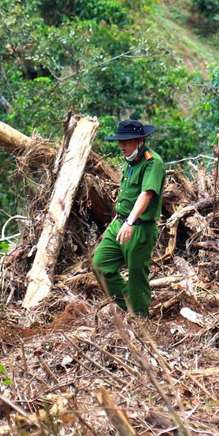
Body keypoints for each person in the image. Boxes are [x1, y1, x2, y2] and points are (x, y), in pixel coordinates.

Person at [92, 118, 166, 315]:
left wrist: (131, 222)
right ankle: (130, 305)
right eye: (120, 141)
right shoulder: (130, 161)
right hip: (120, 223)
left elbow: (146, 193)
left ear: (140, 140)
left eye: (127, 140)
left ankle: (142, 320)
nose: (121, 145)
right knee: (100, 265)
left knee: (136, 276)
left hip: (139, 227)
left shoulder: (152, 162)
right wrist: (121, 221)